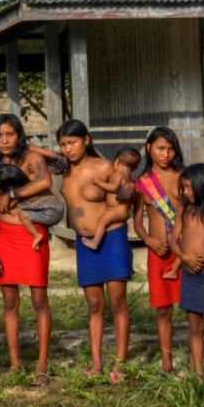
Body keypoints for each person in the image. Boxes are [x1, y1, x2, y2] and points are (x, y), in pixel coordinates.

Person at [57, 120, 132, 383]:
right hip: (84, 243)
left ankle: (120, 364)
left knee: (117, 302)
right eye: (63, 144)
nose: (67, 149)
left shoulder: (104, 167)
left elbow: (121, 210)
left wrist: (101, 228)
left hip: (111, 239)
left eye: (72, 142)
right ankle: (97, 362)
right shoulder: (63, 171)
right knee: (94, 305)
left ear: (86, 140)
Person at [0, 114, 55, 379]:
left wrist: (13, 194)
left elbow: (45, 182)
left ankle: (42, 366)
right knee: (10, 303)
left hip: (32, 234)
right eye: (0, 135)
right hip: (4, 237)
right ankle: (15, 365)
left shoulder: (32, 159)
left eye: (9, 134)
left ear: (19, 135)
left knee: (40, 300)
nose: (4, 140)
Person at [133, 127, 184, 373]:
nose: (166, 154)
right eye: (160, 148)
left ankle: (199, 361)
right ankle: (167, 365)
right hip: (159, 253)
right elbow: (137, 223)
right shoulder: (142, 183)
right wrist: (149, 241)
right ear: (149, 149)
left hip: (185, 250)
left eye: (170, 149)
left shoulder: (184, 176)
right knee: (163, 311)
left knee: (195, 309)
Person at [171, 165, 204, 382]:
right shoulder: (183, 210)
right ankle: (198, 377)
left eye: (188, 187)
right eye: (183, 188)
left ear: (202, 185)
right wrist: (185, 258)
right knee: (194, 329)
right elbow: (173, 240)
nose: (185, 193)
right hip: (190, 277)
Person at [0, 164, 65, 250]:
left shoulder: (20, 194)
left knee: (23, 216)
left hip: (51, 212)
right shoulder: (26, 186)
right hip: (55, 208)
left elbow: (6, 208)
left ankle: (36, 235)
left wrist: (1, 198)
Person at [82, 148, 140, 251]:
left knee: (102, 221)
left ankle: (95, 242)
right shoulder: (129, 176)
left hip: (116, 210)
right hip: (123, 210)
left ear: (117, 161)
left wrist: (99, 182)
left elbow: (113, 188)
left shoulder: (119, 174)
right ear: (135, 167)